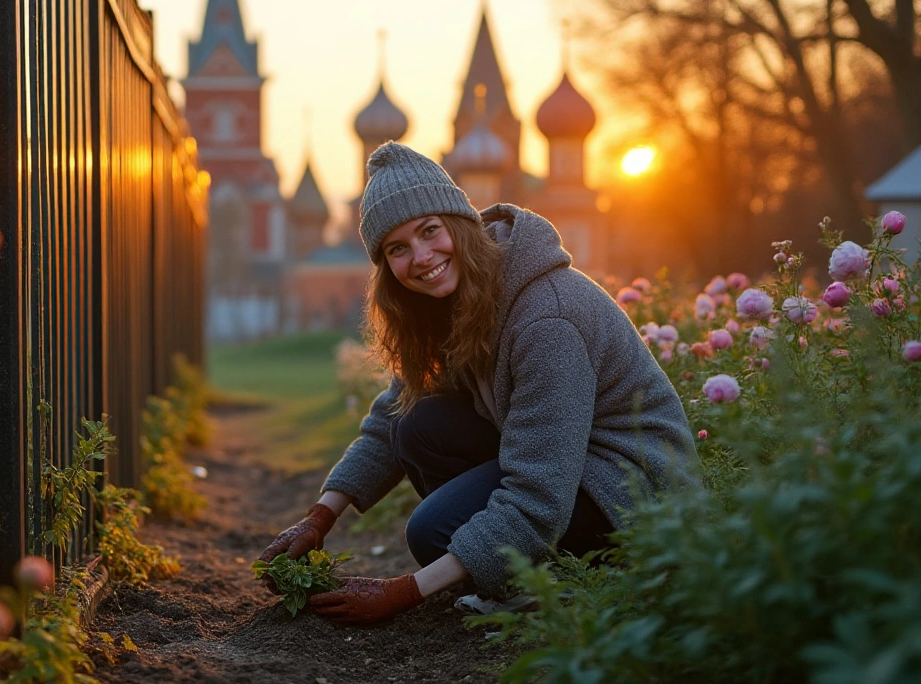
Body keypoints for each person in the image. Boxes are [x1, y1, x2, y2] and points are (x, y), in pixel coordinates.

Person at [257, 142, 699, 625]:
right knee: (416, 424)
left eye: (429, 231)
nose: (421, 257)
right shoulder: (458, 299)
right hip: (569, 465)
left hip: (631, 495)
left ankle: (552, 583)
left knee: (435, 530)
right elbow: (390, 415)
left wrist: (405, 592)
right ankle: (507, 570)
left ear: (461, 225)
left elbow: (539, 492)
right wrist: (321, 515)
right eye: (397, 249)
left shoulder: (546, 318)